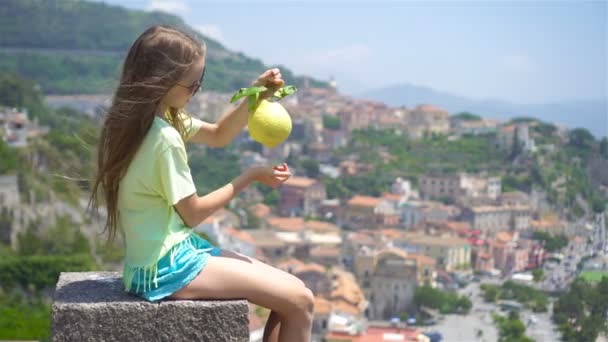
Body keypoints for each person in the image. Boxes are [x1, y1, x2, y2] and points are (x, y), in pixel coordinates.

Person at [88, 25, 314, 342]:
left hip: (158, 259)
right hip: (165, 268)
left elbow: (219, 135)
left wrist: (255, 96)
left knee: (294, 295)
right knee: (301, 301)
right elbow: (192, 214)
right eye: (192, 84)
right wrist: (250, 176)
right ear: (162, 81)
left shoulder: (145, 119)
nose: (197, 91)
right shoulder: (164, 137)